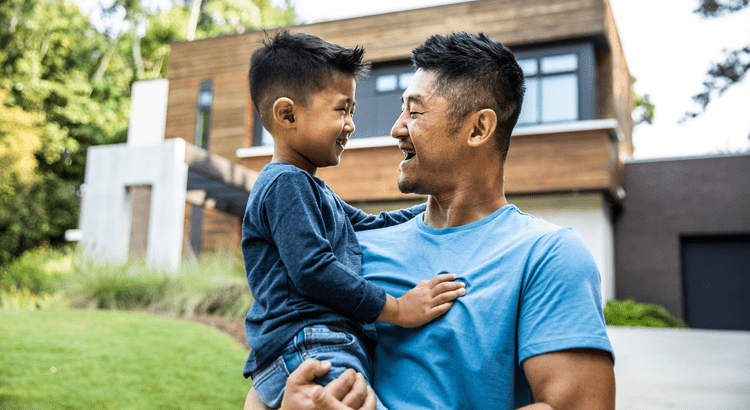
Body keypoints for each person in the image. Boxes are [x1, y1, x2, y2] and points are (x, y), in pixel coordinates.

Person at [246, 31, 616, 410]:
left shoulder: (548, 255)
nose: (395, 128)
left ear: (478, 129)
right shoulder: (352, 252)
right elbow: (281, 357)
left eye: (414, 111)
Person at [242, 29, 467, 410]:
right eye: (342, 110)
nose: (350, 124)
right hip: (311, 343)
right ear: (287, 114)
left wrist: (442, 204)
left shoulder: (311, 189)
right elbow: (313, 270)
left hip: (317, 343)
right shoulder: (285, 185)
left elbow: (369, 225)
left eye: (352, 112)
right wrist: (398, 309)